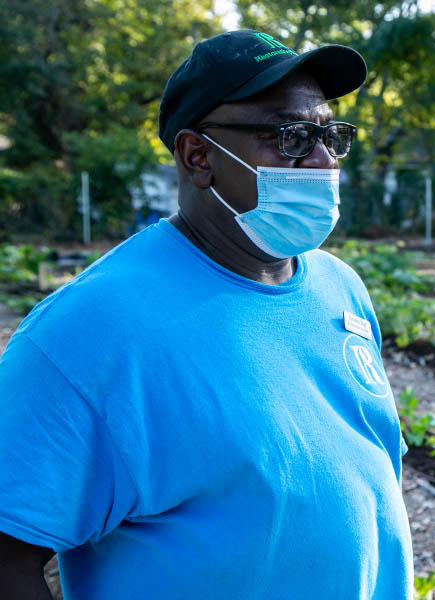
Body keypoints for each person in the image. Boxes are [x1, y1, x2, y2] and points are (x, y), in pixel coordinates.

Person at [0, 30, 413, 599]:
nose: (321, 160)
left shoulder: (341, 288)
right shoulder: (87, 333)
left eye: (330, 135)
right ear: (199, 157)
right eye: (291, 136)